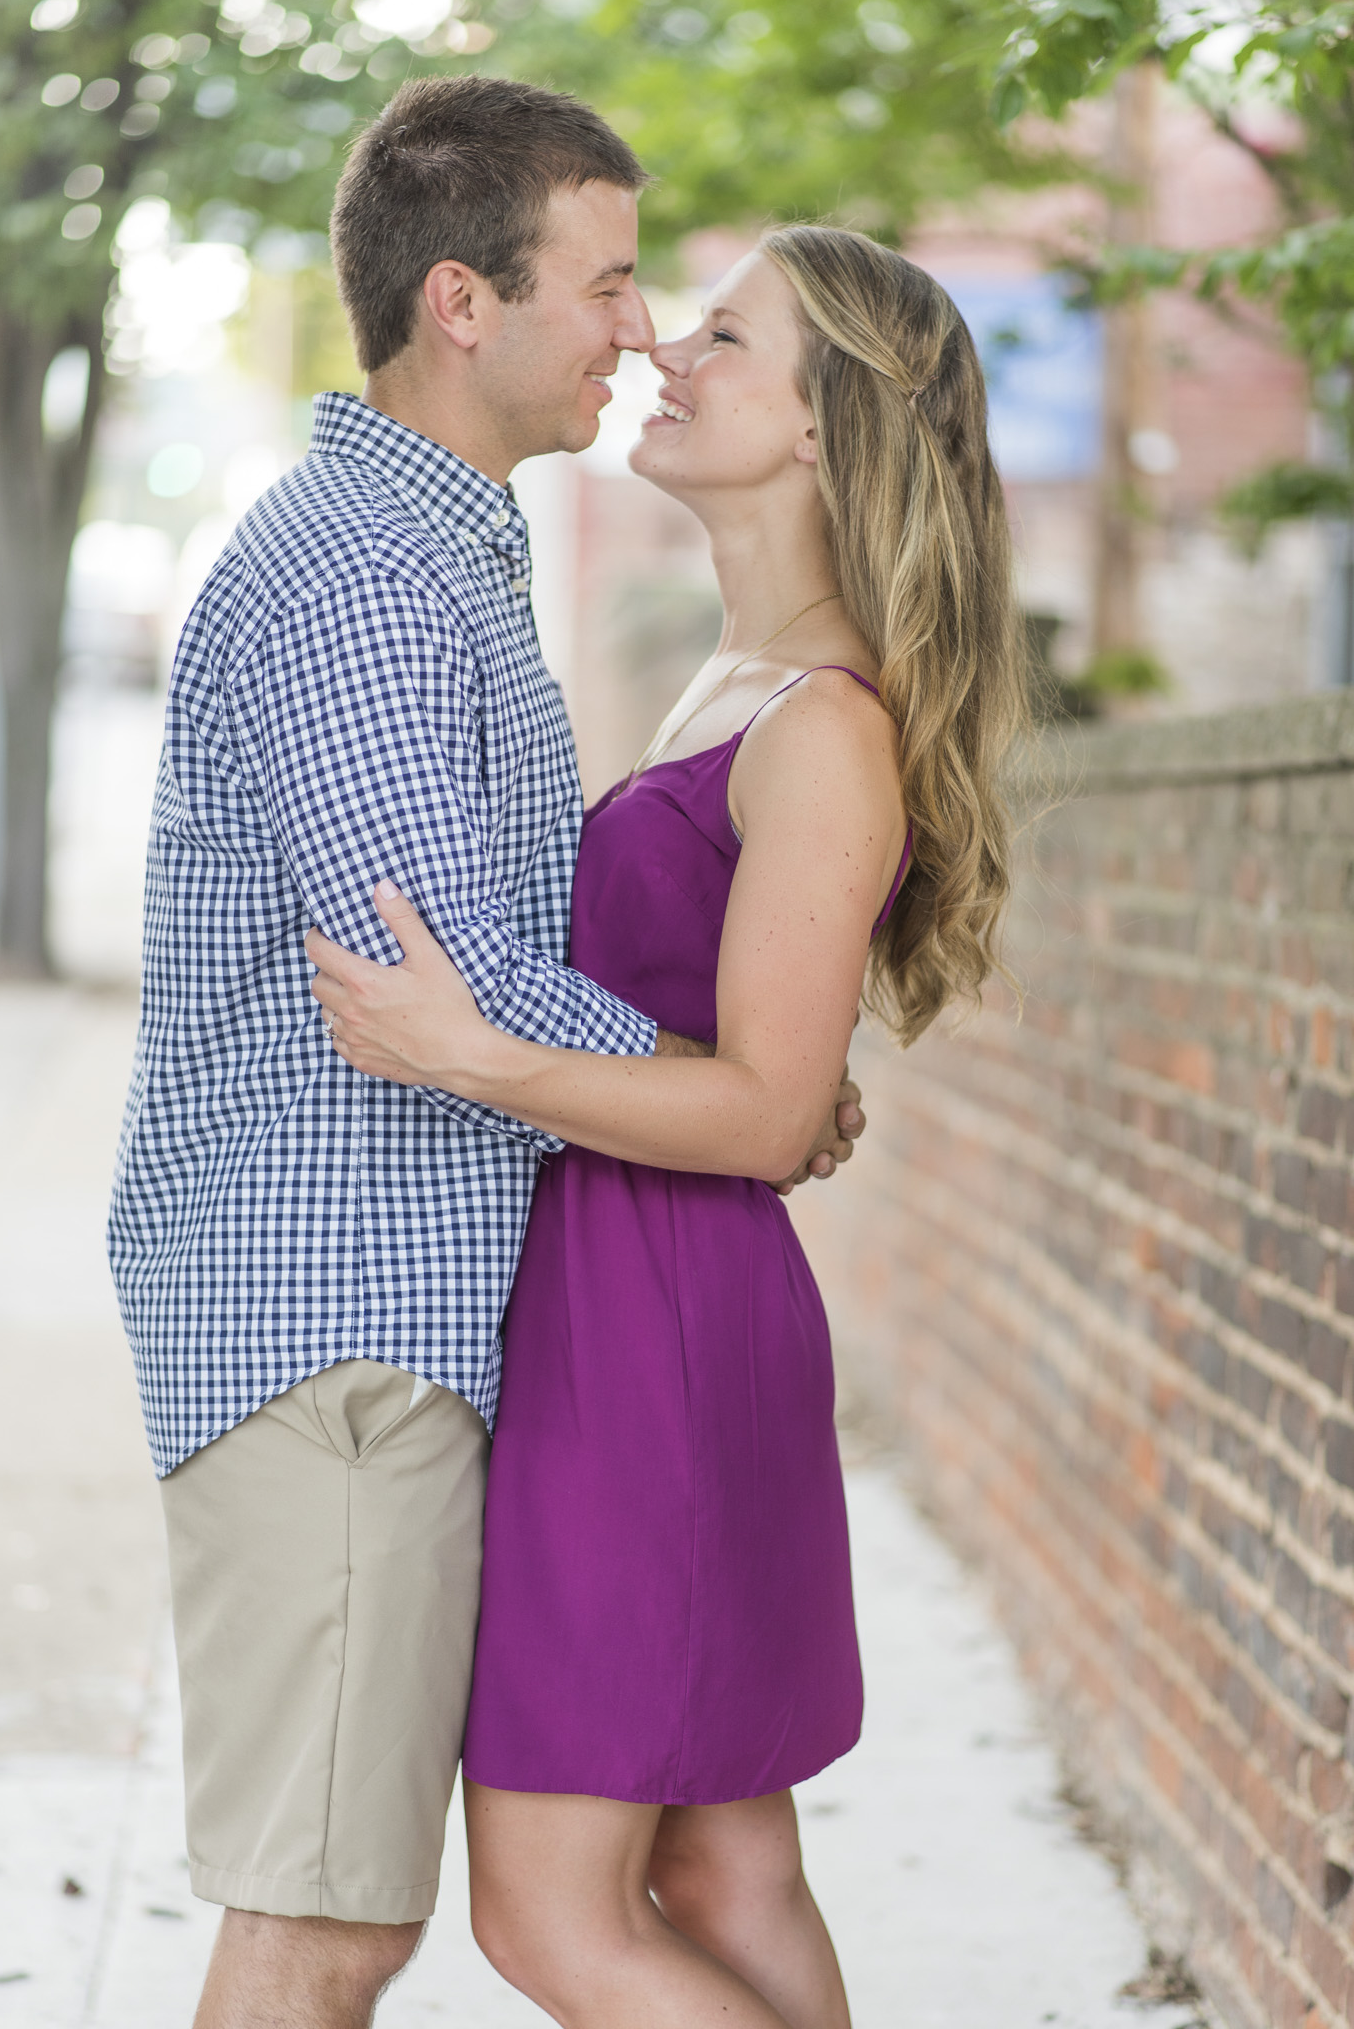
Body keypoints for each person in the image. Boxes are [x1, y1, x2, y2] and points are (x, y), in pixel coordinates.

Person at [107, 79, 862, 2029]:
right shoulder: (370, 578)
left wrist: (737, 1080)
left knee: (371, 1901)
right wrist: (734, 1078)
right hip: (336, 1314)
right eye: (605, 282)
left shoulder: (442, 553)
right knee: (325, 1916)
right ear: (464, 300)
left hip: (398, 1308)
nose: (636, 325)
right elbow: (426, 972)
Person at [308, 223, 1028, 2028]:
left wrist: (464, 1052)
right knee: (721, 1865)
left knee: (556, 1917)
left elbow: (767, 1114)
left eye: (725, 338)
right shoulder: (736, 679)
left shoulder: (822, 727)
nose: (665, 356)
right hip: (625, 1297)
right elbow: (732, 1042)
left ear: (820, 428)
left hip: (661, 1329)